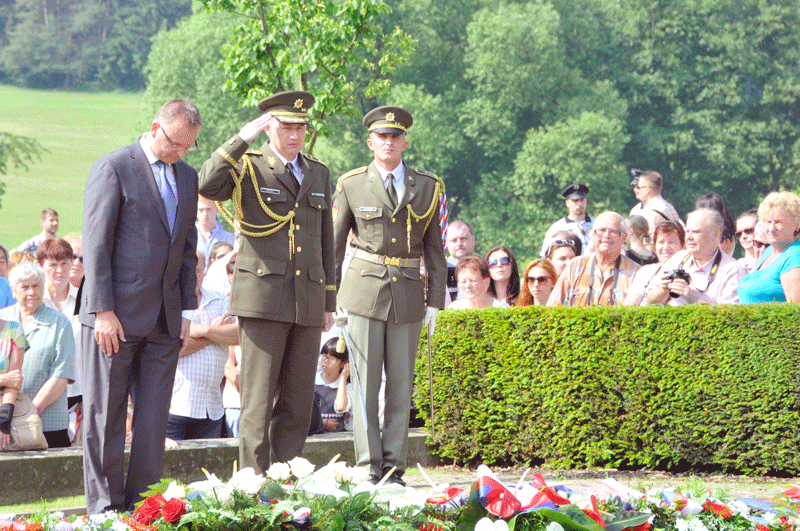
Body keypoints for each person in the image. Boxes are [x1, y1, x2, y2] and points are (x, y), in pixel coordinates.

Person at [199, 91, 335, 473]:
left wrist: (328, 301)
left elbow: (325, 241)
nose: (295, 136)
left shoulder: (318, 172)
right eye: (287, 127)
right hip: (263, 297)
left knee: (297, 401)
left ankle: (286, 479)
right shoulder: (249, 166)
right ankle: (254, 484)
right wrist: (240, 139)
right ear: (269, 128)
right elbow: (207, 184)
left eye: (301, 128)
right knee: (257, 402)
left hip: (307, 298)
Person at [80, 98, 201, 513]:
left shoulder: (188, 177)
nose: (180, 153)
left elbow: (188, 249)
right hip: (113, 318)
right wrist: (102, 310)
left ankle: (144, 510)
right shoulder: (114, 167)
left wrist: (186, 313)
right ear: (154, 128)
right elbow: (96, 245)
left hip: (165, 321)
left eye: (188, 146)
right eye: (175, 143)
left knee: (152, 423)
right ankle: (105, 512)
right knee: (106, 417)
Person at [333, 105, 446, 486]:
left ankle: (394, 467)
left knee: (400, 385)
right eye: (382, 136)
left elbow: (435, 249)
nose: (388, 142)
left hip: (409, 291)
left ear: (405, 143)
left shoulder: (427, 186)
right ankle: (368, 465)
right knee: (365, 384)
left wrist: (436, 301)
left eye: (395, 136)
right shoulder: (352, 183)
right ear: (370, 142)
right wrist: (332, 297)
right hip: (363, 290)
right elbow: (334, 245)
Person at [0, 262, 75, 448]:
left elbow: (61, 375)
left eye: (36, 286)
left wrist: (29, 414)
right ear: (13, 291)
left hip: (48, 424)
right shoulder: (3, 320)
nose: (32, 292)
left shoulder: (60, 323)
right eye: (25, 287)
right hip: (4, 423)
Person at [167, 252, 238, 440]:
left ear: (204, 272)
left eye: (198, 270)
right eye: (188, 270)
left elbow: (238, 335)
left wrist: (203, 330)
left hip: (211, 408)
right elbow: (177, 347)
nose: (193, 275)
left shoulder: (220, 299)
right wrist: (216, 333)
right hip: (176, 406)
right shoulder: (169, 303)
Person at [645, 208, 744, 305]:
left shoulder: (731, 269)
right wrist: (663, 289)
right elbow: (649, 300)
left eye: (696, 232)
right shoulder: (678, 258)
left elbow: (730, 313)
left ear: (715, 234)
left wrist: (692, 298)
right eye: (687, 232)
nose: (689, 237)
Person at [37, 238, 83, 446]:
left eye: (64, 263)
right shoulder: (34, 303)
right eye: (53, 264)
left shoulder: (86, 300)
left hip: (78, 395)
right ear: (41, 266)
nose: (59, 270)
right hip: (40, 394)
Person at [548, 212, 640, 306]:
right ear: (593, 234)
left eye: (613, 232)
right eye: (601, 230)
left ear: (624, 238)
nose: (606, 235)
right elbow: (553, 307)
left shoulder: (636, 273)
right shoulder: (575, 267)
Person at [737, 192, 800, 303]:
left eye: (778, 222)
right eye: (768, 222)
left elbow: (795, 308)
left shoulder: (795, 255)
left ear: (797, 225)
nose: (771, 228)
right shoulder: (769, 251)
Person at [623, 221, 685, 306]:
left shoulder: (691, 271)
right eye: (661, 242)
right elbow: (629, 305)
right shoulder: (646, 271)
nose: (666, 247)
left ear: (682, 245)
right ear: (655, 245)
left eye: (671, 242)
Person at [540, 183, 594, 257]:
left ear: (586, 201)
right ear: (567, 203)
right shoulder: (557, 228)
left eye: (582, 200)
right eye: (575, 201)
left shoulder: (597, 225)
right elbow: (545, 256)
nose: (579, 204)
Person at [0, 312, 27, 450]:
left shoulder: (14, 330)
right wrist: (3, 379)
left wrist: (3, 420)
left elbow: (14, 380)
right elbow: (9, 379)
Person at [629, 170, 681, 241]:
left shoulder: (651, 214)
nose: (635, 190)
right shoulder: (669, 207)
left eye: (639, 187)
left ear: (647, 189)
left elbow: (650, 243)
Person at [315, 337, 352, 432]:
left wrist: (343, 377)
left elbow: (340, 407)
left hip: (339, 435)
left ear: (343, 364)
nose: (326, 361)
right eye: (324, 356)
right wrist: (321, 422)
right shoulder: (313, 382)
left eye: (332, 359)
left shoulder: (347, 386)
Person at [196, 196, 235, 263]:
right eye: (201, 210)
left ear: (217, 209)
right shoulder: (188, 237)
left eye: (208, 209)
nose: (205, 214)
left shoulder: (229, 238)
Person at [444, 220, 476, 302]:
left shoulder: (485, 267)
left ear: (473, 240)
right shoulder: (440, 269)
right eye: (454, 240)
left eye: (463, 239)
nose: (459, 244)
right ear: (447, 243)